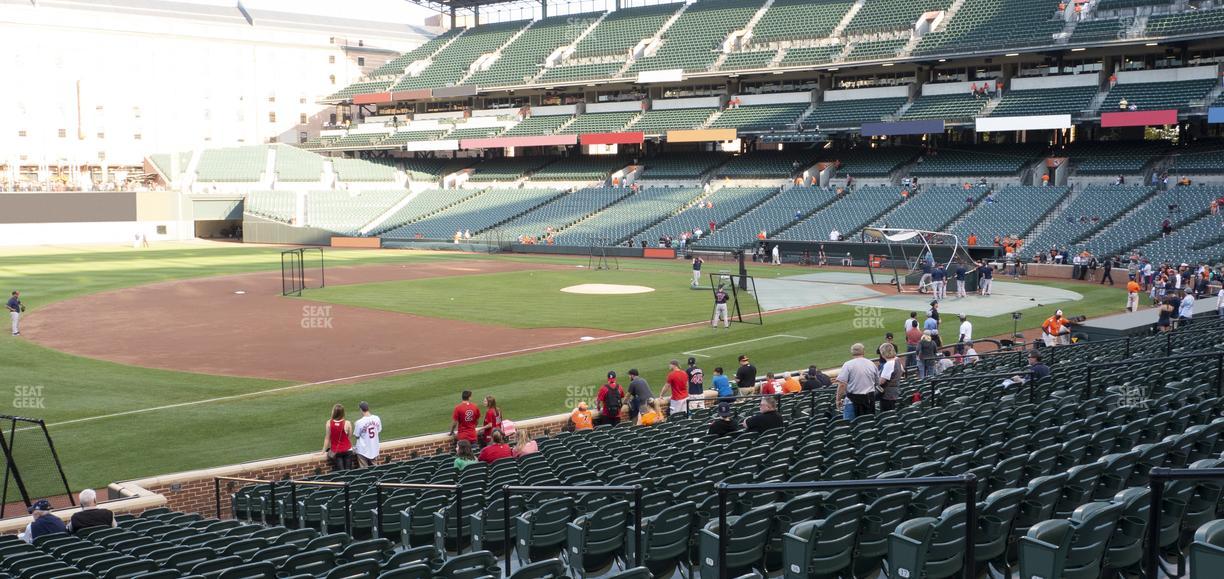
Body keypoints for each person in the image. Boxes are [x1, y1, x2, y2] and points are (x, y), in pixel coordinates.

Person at [835, 343, 879, 419]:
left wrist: (838, 400)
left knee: (850, 426)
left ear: (852, 352)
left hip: (853, 401)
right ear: (863, 352)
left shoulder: (848, 365)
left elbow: (842, 384)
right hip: (869, 400)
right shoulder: (871, 363)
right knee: (867, 425)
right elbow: (877, 383)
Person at [322, 404, 354, 471]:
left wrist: (323, 451)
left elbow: (327, 438)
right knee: (349, 471)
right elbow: (349, 437)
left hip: (336, 451)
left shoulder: (329, 423)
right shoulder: (347, 423)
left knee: (341, 472)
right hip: (348, 450)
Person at [353, 401, 382, 468]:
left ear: (360, 409)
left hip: (362, 450)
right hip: (374, 448)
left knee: (364, 470)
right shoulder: (377, 418)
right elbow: (378, 430)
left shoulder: (359, 422)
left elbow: (356, 436)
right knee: (375, 468)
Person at [877, 343, 901, 411]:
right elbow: (902, 371)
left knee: (887, 413)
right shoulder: (897, 359)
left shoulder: (889, 363)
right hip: (894, 391)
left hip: (887, 394)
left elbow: (882, 381)